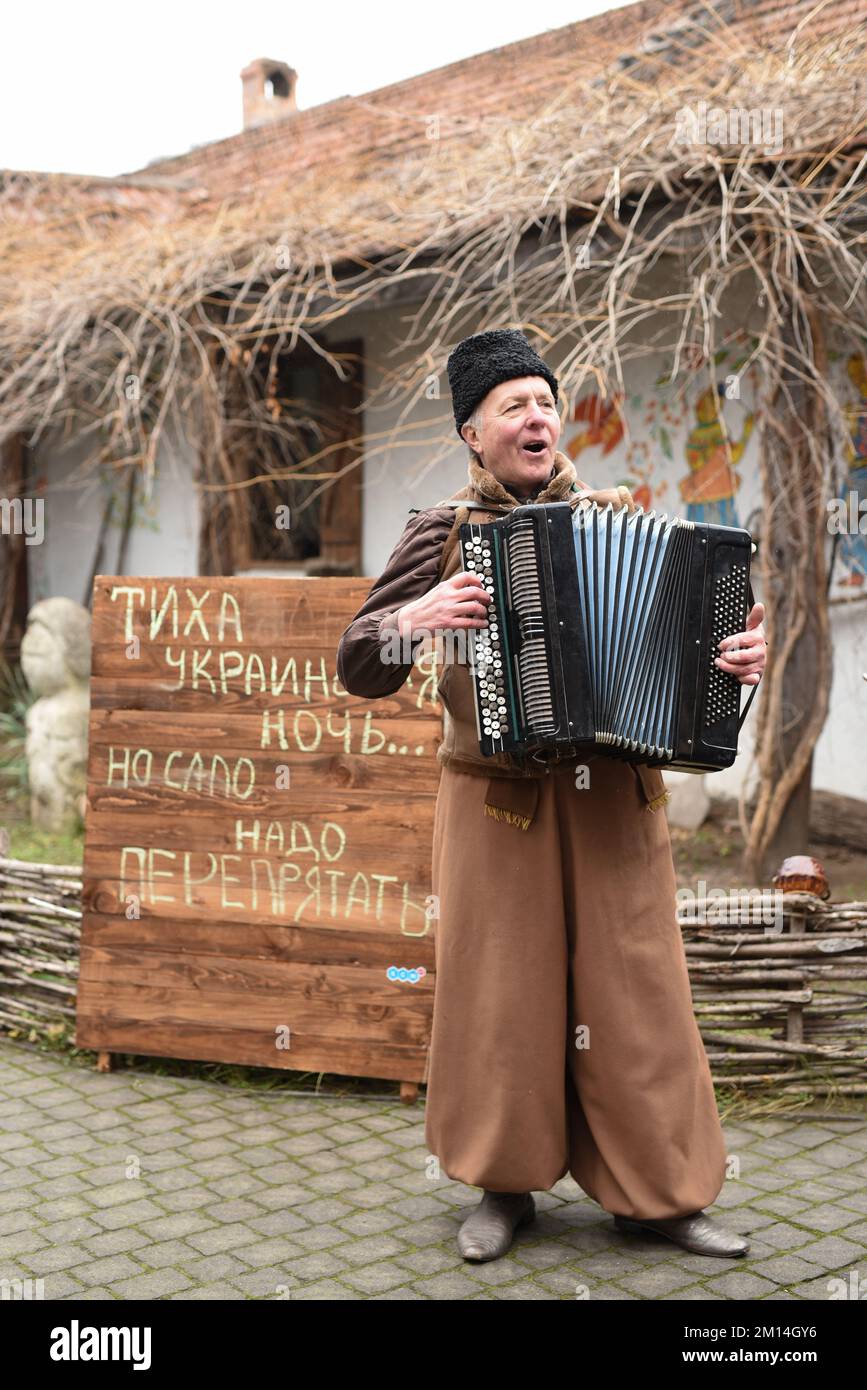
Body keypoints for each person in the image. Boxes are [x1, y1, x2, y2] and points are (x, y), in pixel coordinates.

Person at [336, 329, 767, 1263]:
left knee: (637, 993)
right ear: (471, 431)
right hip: (497, 806)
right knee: (503, 997)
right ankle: (503, 1188)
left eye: (544, 401)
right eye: (512, 406)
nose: (536, 419)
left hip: (616, 798)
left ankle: (660, 1195)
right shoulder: (439, 532)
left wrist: (736, 666)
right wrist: (415, 620)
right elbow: (358, 664)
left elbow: (693, 668)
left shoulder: (622, 516)